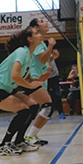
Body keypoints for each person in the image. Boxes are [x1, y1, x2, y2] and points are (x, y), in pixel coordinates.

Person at [0, 27, 50, 155]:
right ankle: (4, 144)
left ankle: (19, 141)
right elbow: (15, 76)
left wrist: (37, 79)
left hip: (6, 89)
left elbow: (25, 77)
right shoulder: (21, 52)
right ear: (29, 39)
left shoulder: (28, 55)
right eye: (36, 33)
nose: (40, 35)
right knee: (23, 110)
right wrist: (29, 87)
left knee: (33, 106)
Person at [24, 18, 56, 146]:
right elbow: (42, 59)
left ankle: (30, 135)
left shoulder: (40, 42)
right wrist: (51, 46)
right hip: (34, 79)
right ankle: (28, 136)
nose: (46, 23)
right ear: (36, 27)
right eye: (42, 21)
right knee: (47, 107)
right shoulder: (38, 43)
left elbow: (43, 61)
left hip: (40, 78)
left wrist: (52, 57)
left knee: (38, 108)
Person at [47, 50, 65, 119]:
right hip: (45, 77)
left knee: (57, 94)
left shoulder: (50, 56)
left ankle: (61, 112)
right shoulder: (38, 57)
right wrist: (46, 67)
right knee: (47, 96)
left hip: (54, 76)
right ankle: (48, 113)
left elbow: (54, 55)